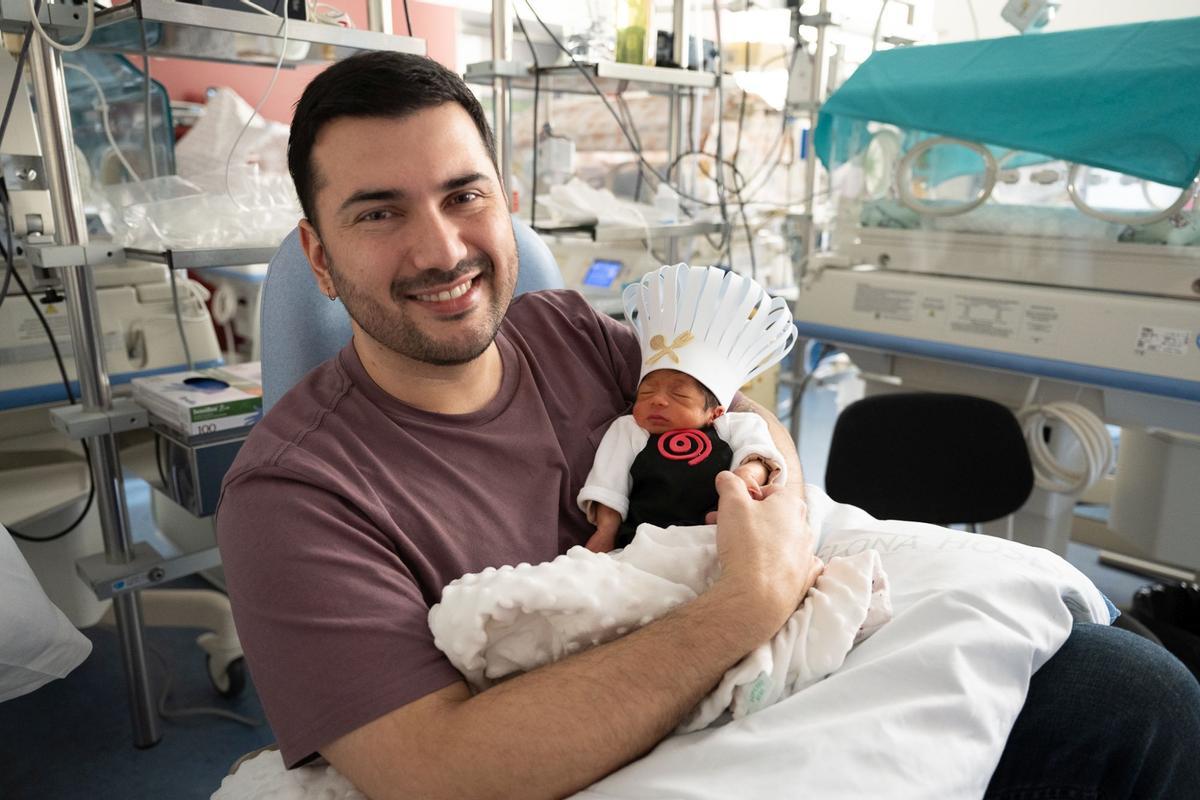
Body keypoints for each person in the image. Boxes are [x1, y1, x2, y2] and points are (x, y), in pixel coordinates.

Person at [216, 51, 1200, 800]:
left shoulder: (569, 333)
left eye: (462, 196)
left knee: (1136, 697)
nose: (442, 248)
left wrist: (760, 463)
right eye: (378, 214)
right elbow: (430, 766)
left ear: (505, 206)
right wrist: (749, 597)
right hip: (594, 733)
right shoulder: (297, 494)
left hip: (746, 677)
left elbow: (724, 410)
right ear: (319, 252)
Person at [579, 264, 796, 552]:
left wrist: (747, 477)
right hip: (643, 541)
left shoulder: (736, 426)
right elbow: (609, 481)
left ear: (715, 412)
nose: (657, 400)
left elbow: (759, 455)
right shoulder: (629, 430)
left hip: (717, 537)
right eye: (646, 393)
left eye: (679, 395)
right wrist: (607, 529)